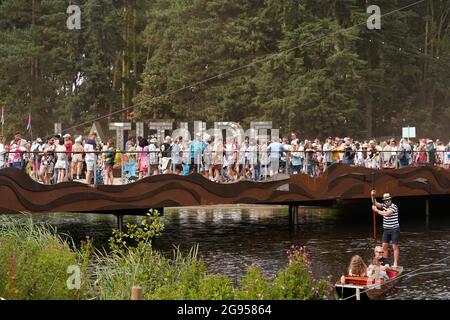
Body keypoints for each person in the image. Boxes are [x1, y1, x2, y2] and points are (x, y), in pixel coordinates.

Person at [371, 190, 400, 267]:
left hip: (394, 229)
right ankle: (385, 263)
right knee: (384, 247)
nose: (387, 201)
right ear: (384, 201)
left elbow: (386, 214)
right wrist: (372, 195)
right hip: (386, 229)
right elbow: (375, 203)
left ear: (390, 200)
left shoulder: (394, 206)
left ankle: (395, 263)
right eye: (386, 200)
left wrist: (376, 210)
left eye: (388, 200)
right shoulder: (383, 205)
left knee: (394, 247)